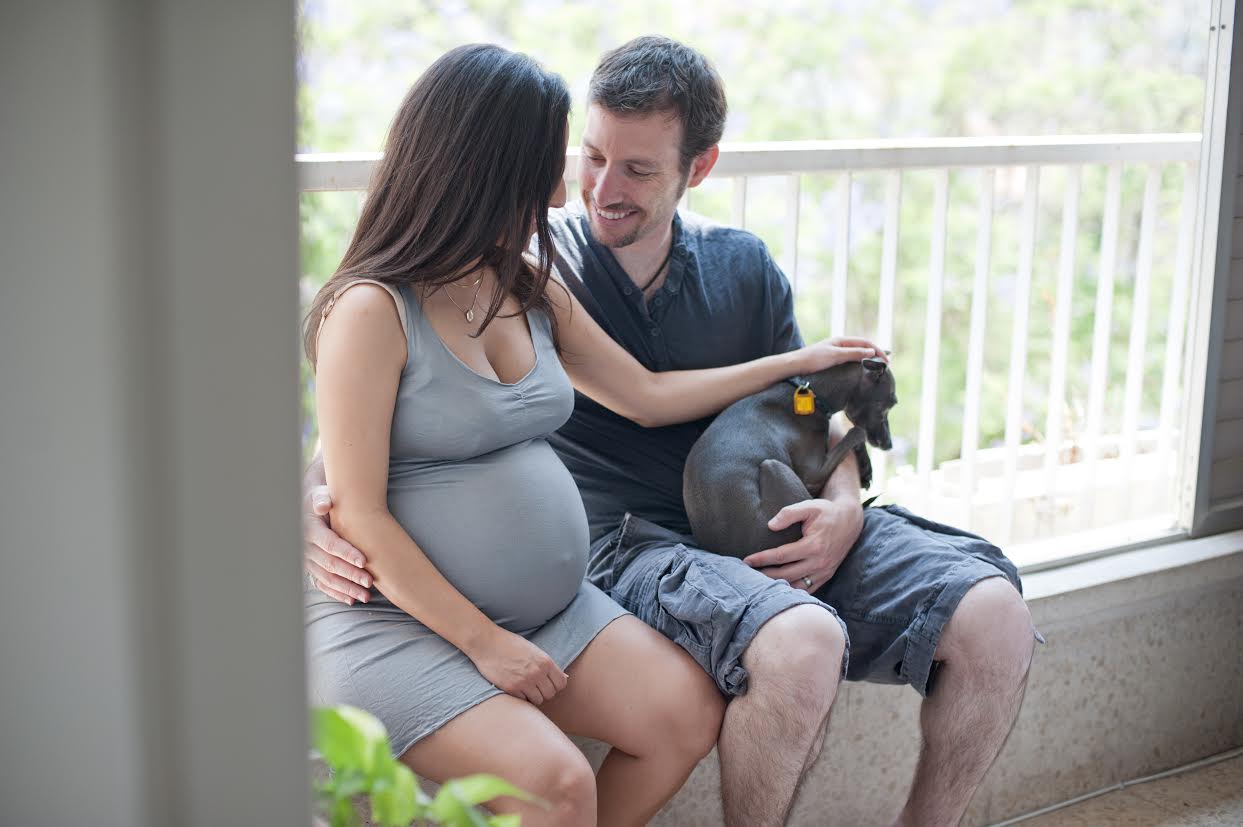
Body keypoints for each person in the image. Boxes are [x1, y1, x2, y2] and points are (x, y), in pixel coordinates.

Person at [304, 43, 885, 827]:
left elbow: (645, 395)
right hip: (398, 623)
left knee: (685, 716)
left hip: (546, 610)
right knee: (559, 785)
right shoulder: (372, 311)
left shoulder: (522, 278)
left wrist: (799, 362)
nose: (566, 183)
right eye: (562, 152)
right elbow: (358, 506)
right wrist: (483, 642)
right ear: (487, 163)